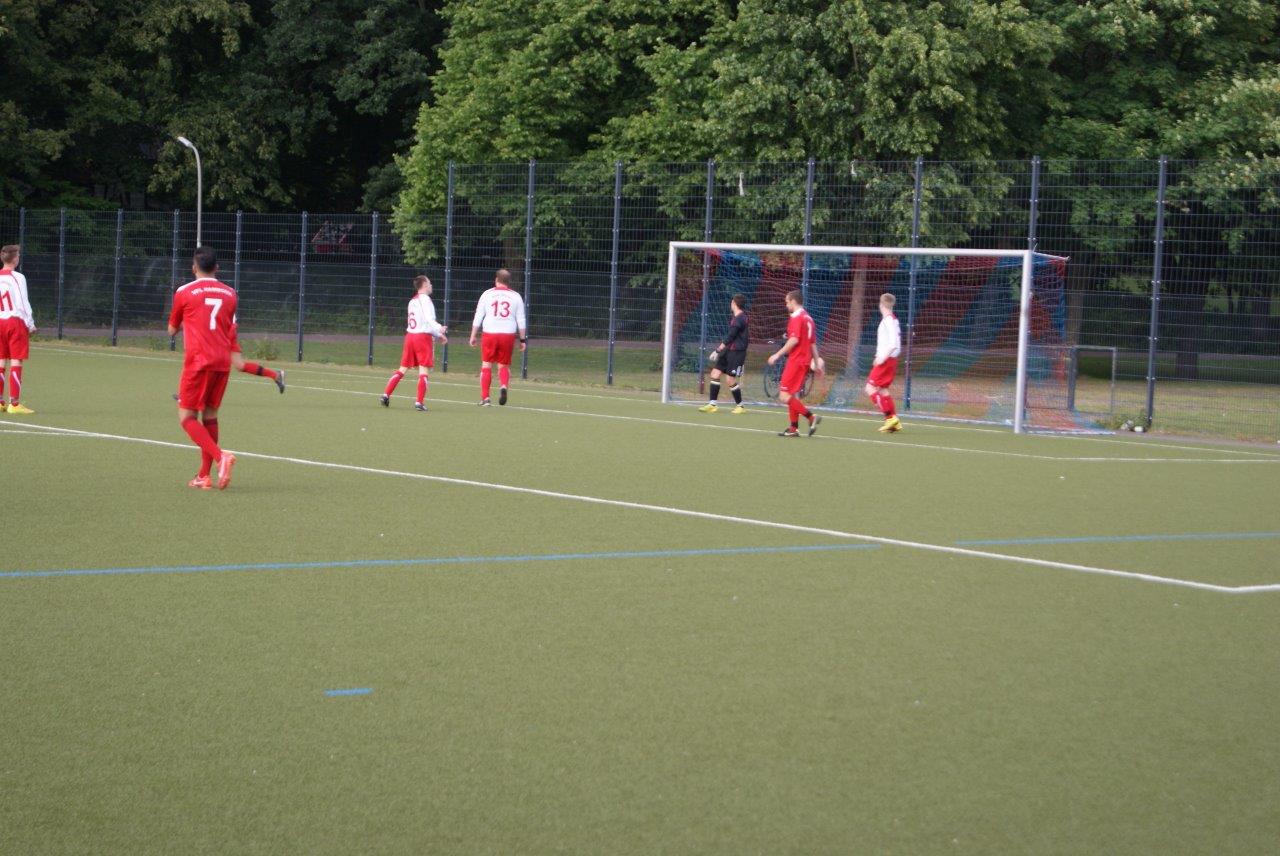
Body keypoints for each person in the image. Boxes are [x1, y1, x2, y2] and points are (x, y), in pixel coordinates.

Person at [168, 246, 238, 489]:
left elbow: (172, 329)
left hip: (198, 361)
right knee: (210, 416)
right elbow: (226, 326)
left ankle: (220, 458)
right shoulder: (231, 293)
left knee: (187, 417)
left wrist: (187, 322)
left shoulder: (184, 292)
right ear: (217, 267)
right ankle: (203, 476)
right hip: (222, 361)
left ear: (194, 268)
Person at [380, 275, 446, 411]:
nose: (431, 285)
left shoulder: (412, 301)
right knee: (423, 370)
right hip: (422, 338)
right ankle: (419, 402)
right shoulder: (425, 299)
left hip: (410, 336)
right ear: (424, 285)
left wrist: (438, 335)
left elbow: (421, 322)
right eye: (429, 283)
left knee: (402, 368)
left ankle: (385, 394)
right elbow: (428, 319)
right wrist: (439, 329)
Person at [766, 289, 824, 437]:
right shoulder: (808, 318)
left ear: (793, 301)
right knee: (791, 394)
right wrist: (817, 363)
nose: (786, 305)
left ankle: (811, 418)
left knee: (784, 395)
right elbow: (812, 344)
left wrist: (777, 354)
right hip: (804, 361)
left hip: (796, 361)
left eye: (787, 302)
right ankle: (794, 428)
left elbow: (794, 340)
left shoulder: (797, 317)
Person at [469, 268, 527, 406]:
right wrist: (522, 340)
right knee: (503, 365)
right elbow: (521, 320)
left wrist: (473, 335)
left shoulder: (487, 294)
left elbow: (478, 315)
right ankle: (503, 385)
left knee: (486, 364)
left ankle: (485, 398)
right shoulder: (516, 296)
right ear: (508, 281)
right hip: (507, 334)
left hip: (490, 332)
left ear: (496, 280)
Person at [699, 293, 750, 414]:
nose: (730, 304)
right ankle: (712, 404)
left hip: (737, 352)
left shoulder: (740, 318)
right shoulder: (736, 317)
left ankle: (740, 406)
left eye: (731, 302)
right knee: (715, 373)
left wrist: (717, 350)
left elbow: (730, 337)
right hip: (728, 351)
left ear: (734, 303)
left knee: (730, 379)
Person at [0, 244, 36, 414]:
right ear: (15, 259)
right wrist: (30, 323)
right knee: (16, 360)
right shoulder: (18, 277)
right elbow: (23, 302)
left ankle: (0, 402)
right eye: (18, 255)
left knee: (1, 360)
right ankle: (14, 404)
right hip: (15, 322)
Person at [867, 292, 902, 433]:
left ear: (881, 304)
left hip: (886, 360)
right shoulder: (893, 320)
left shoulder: (888, 320)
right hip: (890, 359)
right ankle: (895, 421)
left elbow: (893, 343)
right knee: (883, 390)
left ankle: (889, 418)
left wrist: (882, 357)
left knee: (870, 388)